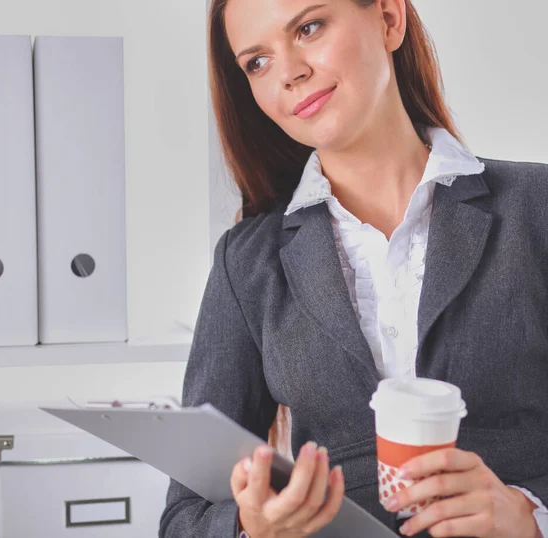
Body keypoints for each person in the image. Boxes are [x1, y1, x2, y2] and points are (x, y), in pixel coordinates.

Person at [160, 0, 548, 536]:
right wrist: (252, 528)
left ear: (389, 18)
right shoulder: (246, 264)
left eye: (309, 27)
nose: (290, 72)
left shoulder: (538, 209)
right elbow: (186, 517)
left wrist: (532, 516)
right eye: (257, 62)